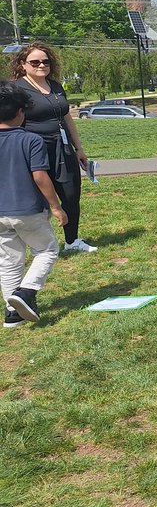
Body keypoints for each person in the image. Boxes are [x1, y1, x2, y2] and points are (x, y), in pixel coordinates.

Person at [10, 42, 95, 252]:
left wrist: (79, 148)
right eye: (35, 61)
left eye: (45, 61)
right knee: (36, 198)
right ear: (23, 64)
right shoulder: (16, 89)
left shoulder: (55, 86)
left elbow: (67, 118)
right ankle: (39, 244)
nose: (41, 65)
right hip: (32, 149)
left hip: (62, 147)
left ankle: (72, 241)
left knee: (71, 194)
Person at [1, 81, 68, 327]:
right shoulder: (30, 140)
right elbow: (40, 176)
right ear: (21, 112)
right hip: (27, 210)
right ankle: (26, 292)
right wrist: (56, 206)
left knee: (9, 261)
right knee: (47, 250)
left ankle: (12, 313)